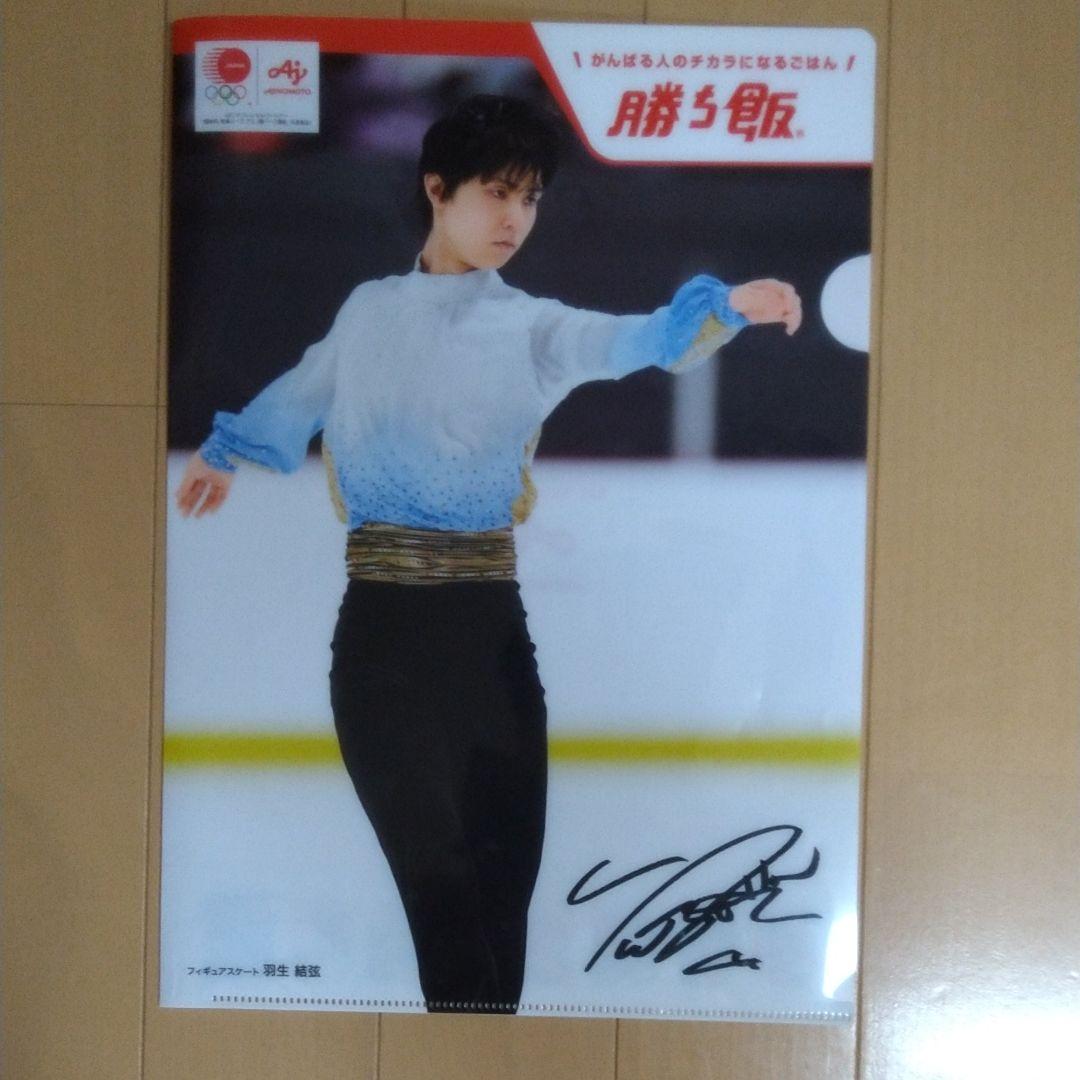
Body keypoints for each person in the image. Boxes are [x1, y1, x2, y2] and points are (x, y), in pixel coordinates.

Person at [175, 94, 801, 1014]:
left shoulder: (535, 328)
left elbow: (633, 339)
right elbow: (304, 389)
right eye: (498, 193)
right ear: (438, 189)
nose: (516, 218)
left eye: (531, 198)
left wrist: (729, 309)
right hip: (382, 644)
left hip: (492, 647)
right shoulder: (370, 310)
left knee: (500, 915)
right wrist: (228, 451)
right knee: (443, 906)